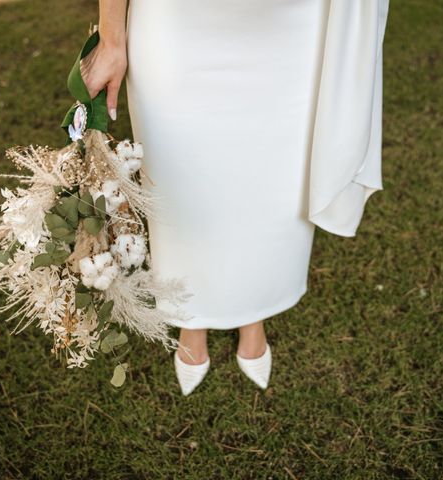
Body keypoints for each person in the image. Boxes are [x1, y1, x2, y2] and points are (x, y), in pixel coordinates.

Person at [81, 0, 389, 396]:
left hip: (290, 30)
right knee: (180, 179)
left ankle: (254, 311)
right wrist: (111, 38)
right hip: (177, 23)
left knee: (274, 181)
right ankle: (190, 316)